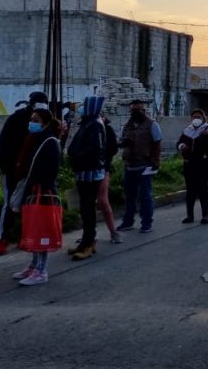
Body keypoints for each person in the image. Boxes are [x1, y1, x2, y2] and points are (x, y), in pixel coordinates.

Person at [0, 90, 48, 255]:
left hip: (30, 172)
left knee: (27, 205)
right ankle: (2, 239)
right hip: (12, 171)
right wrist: (7, 169)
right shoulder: (16, 119)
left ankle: (23, 237)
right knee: (9, 204)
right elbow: (3, 144)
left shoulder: (45, 123)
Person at [14, 106, 62, 286]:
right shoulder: (37, 139)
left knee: (41, 230)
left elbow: (51, 169)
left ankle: (41, 270)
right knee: (33, 228)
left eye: (36, 120)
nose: (32, 123)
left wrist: (39, 185)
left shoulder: (50, 141)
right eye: (31, 119)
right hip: (34, 190)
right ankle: (34, 265)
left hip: (43, 191)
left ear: (46, 122)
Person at [66, 95, 106, 261]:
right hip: (84, 172)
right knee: (85, 208)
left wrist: (77, 157)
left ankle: (88, 243)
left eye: (84, 106)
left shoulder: (94, 125)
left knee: (88, 209)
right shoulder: (88, 123)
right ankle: (86, 241)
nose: (81, 108)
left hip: (90, 173)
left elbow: (94, 150)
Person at [118, 99, 162, 234]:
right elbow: (122, 140)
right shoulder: (128, 125)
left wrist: (155, 161)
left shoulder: (152, 124)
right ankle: (128, 221)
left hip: (145, 165)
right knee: (129, 196)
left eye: (138, 110)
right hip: (129, 165)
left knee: (145, 196)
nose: (135, 112)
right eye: (132, 110)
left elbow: (157, 143)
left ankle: (146, 223)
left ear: (143, 110)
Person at [178, 109, 208, 224]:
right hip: (189, 163)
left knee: (202, 188)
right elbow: (179, 142)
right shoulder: (187, 130)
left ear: (203, 118)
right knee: (190, 190)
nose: (196, 119)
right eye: (194, 117)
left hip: (203, 163)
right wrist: (182, 146)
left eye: (199, 117)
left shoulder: (207, 128)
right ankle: (190, 216)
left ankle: (205, 215)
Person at [96, 113, 123, 244]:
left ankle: (114, 232)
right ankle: (89, 233)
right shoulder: (87, 127)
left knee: (103, 201)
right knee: (87, 204)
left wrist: (102, 158)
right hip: (86, 170)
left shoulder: (107, 129)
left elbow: (113, 149)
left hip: (102, 169)